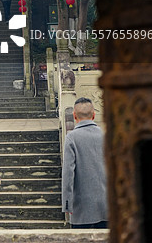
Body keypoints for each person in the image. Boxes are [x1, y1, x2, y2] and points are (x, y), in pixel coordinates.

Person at [62, 97, 108, 229]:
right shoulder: (105, 136)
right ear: (94, 115)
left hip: (82, 208)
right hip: (107, 206)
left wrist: (67, 204)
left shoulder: (72, 138)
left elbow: (68, 174)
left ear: (74, 116)